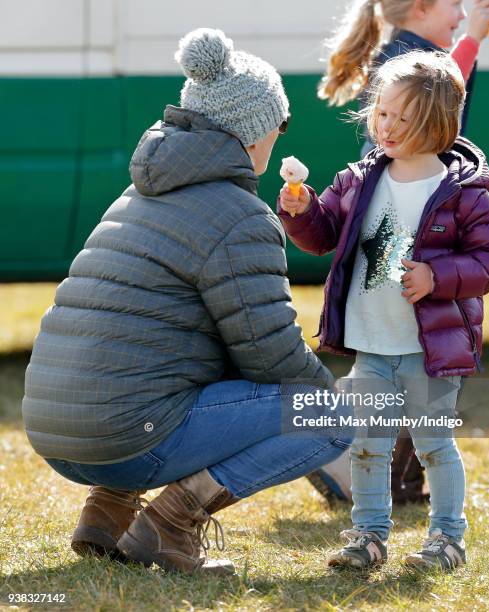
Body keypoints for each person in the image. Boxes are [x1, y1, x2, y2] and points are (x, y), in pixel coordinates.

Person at [21, 28, 354, 575]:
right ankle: (170, 524)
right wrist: (325, 399)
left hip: (56, 431)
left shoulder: (136, 196)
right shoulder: (241, 216)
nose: (280, 136)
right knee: (333, 414)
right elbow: (268, 353)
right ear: (253, 132)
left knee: (154, 363)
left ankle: (106, 513)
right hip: (125, 439)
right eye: (281, 123)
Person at [278, 50, 489, 570]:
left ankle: (447, 539)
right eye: (382, 113)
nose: (387, 126)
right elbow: (325, 236)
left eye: (404, 119)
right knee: (368, 445)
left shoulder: (462, 194)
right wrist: (301, 211)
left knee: (432, 445)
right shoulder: (361, 179)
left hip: (429, 349)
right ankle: (368, 537)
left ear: (438, 125)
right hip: (373, 343)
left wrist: (437, 277)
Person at [308, 0, 489, 506]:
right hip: (396, 251)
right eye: (452, 6)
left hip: (415, 255)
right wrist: (474, 39)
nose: (459, 14)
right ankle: (349, 465)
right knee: (401, 364)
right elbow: (444, 89)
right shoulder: (408, 60)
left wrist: (437, 276)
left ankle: (406, 486)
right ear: (420, 7)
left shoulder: (411, 53)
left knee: (417, 369)